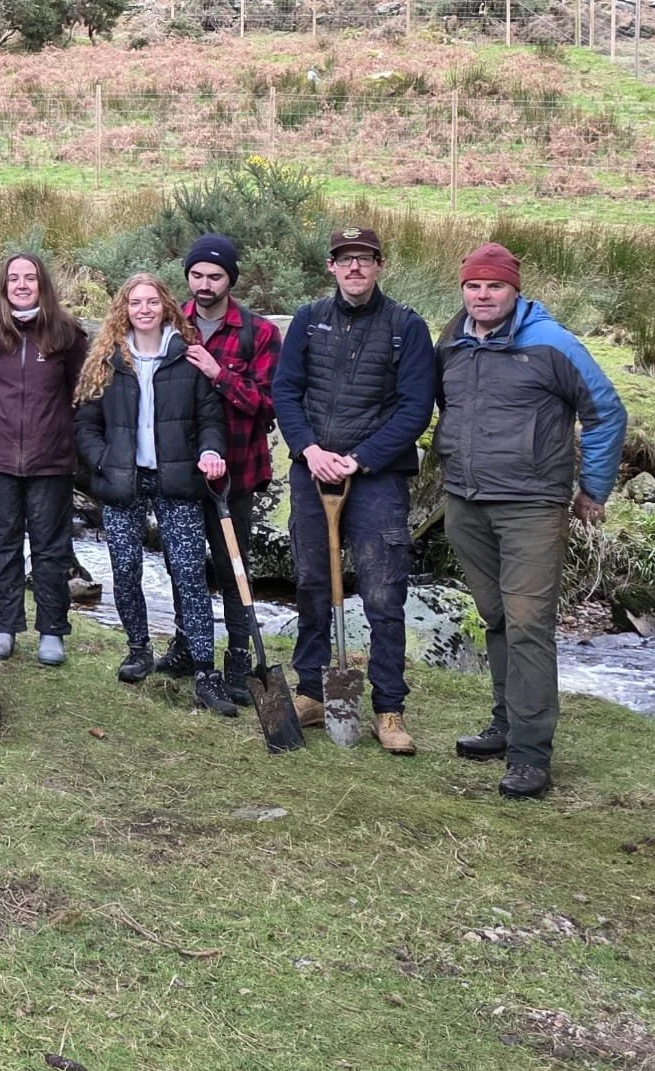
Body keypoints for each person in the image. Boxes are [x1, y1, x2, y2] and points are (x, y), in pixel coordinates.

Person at [435, 242, 625, 797]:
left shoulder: (552, 343)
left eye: (494, 286)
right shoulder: (452, 343)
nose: (483, 295)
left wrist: (592, 489)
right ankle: (505, 723)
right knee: (495, 617)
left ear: (514, 290)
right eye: (473, 286)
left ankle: (531, 753)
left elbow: (606, 410)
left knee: (527, 625)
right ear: (463, 290)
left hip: (532, 507)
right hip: (465, 501)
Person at [272, 225, 435, 752]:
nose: (355, 269)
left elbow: (415, 408)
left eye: (365, 259)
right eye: (346, 260)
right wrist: (309, 450)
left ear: (380, 265)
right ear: (331, 267)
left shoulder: (405, 327)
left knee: (384, 594)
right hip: (313, 472)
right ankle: (312, 692)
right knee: (312, 584)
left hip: (378, 479)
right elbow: (285, 390)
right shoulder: (308, 321)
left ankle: (389, 709)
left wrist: (361, 460)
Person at [75, 274, 232, 709]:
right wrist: (104, 460)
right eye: (134, 302)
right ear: (123, 310)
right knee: (125, 569)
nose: (143, 309)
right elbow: (86, 424)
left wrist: (212, 451)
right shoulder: (107, 358)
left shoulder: (189, 357)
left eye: (151, 301)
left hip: (177, 481)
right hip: (121, 480)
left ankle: (204, 668)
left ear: (165, 306)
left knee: (188, 573)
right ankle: (138, 649)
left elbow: (211, 420)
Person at [0, 250, 89, 665]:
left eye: (31, 278)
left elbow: (78, 392)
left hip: (50, 458)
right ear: (4, 285)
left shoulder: (66, 333)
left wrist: (55, 431)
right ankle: (5, 627)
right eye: (14, 278)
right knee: (1, 543)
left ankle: (52, 631)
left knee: (50, 547)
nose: (22, 285)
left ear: (43, 284)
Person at [180, 234, 281, 704]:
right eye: (197, 275)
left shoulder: (257, 333)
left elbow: (266, 406)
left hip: (236, 473)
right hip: (181, 470)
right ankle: (187, 645)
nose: (204, 284)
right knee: (182, 565)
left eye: (214, 276)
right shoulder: (172, 325)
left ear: (230, 280)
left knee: (232, 568)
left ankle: (239, 662)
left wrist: (219, 375)